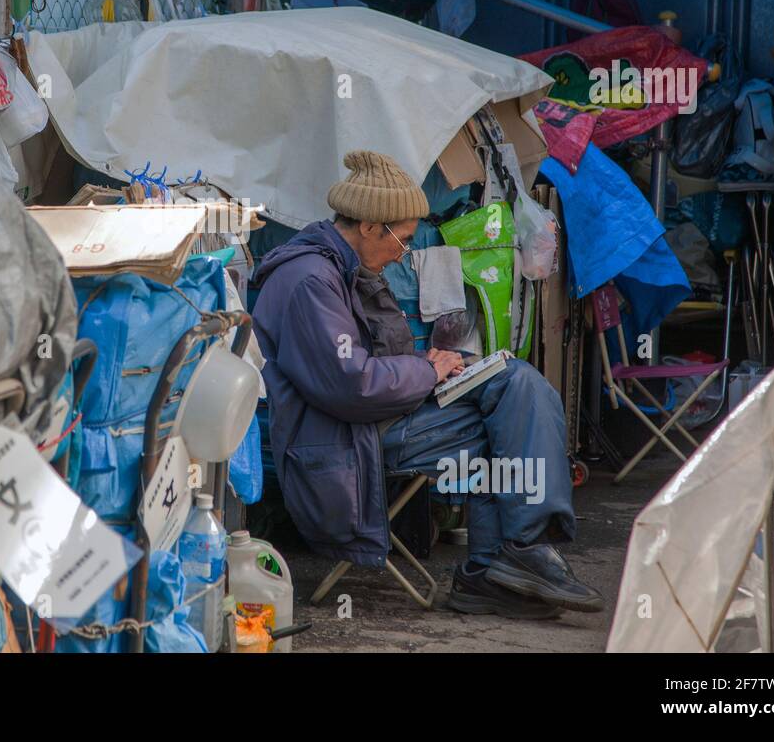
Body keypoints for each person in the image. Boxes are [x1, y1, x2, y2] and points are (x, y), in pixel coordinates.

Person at [250, 150, 604, 618]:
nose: (404, 253)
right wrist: (428, 370)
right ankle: (499, 566)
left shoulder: (343, 266)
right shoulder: (310, 280)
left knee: (511, 382)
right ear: (372, 227)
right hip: (341, 434)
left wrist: (433, 363)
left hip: (371, 416)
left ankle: (511, 559)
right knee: (504, 428)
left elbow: (369, 362)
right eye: (402, 239)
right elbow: (349, 385)